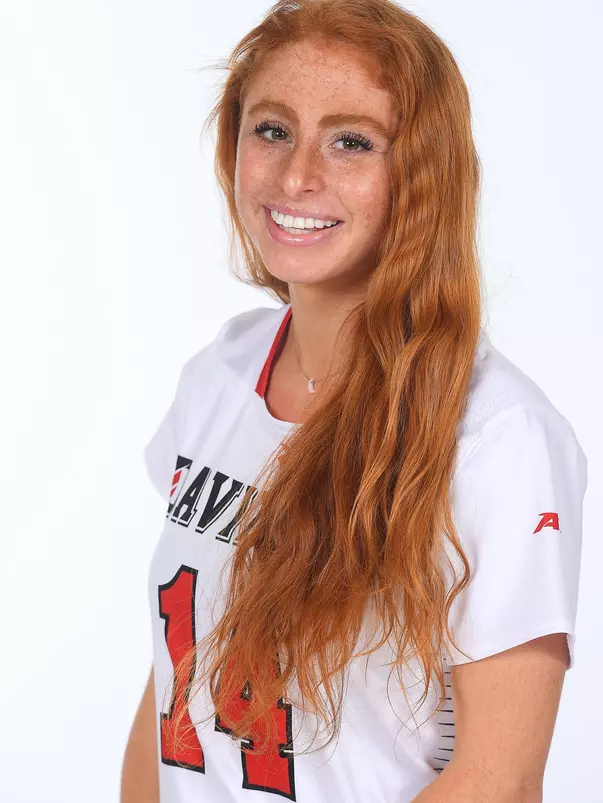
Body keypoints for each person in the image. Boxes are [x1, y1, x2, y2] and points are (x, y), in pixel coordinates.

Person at [120, 1, 588, 801]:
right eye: (270, 129)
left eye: (351, 141)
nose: (297, 175)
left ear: (422, 173)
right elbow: (171, 690)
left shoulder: (498, 436)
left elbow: (498, 779)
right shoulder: (219, 375)